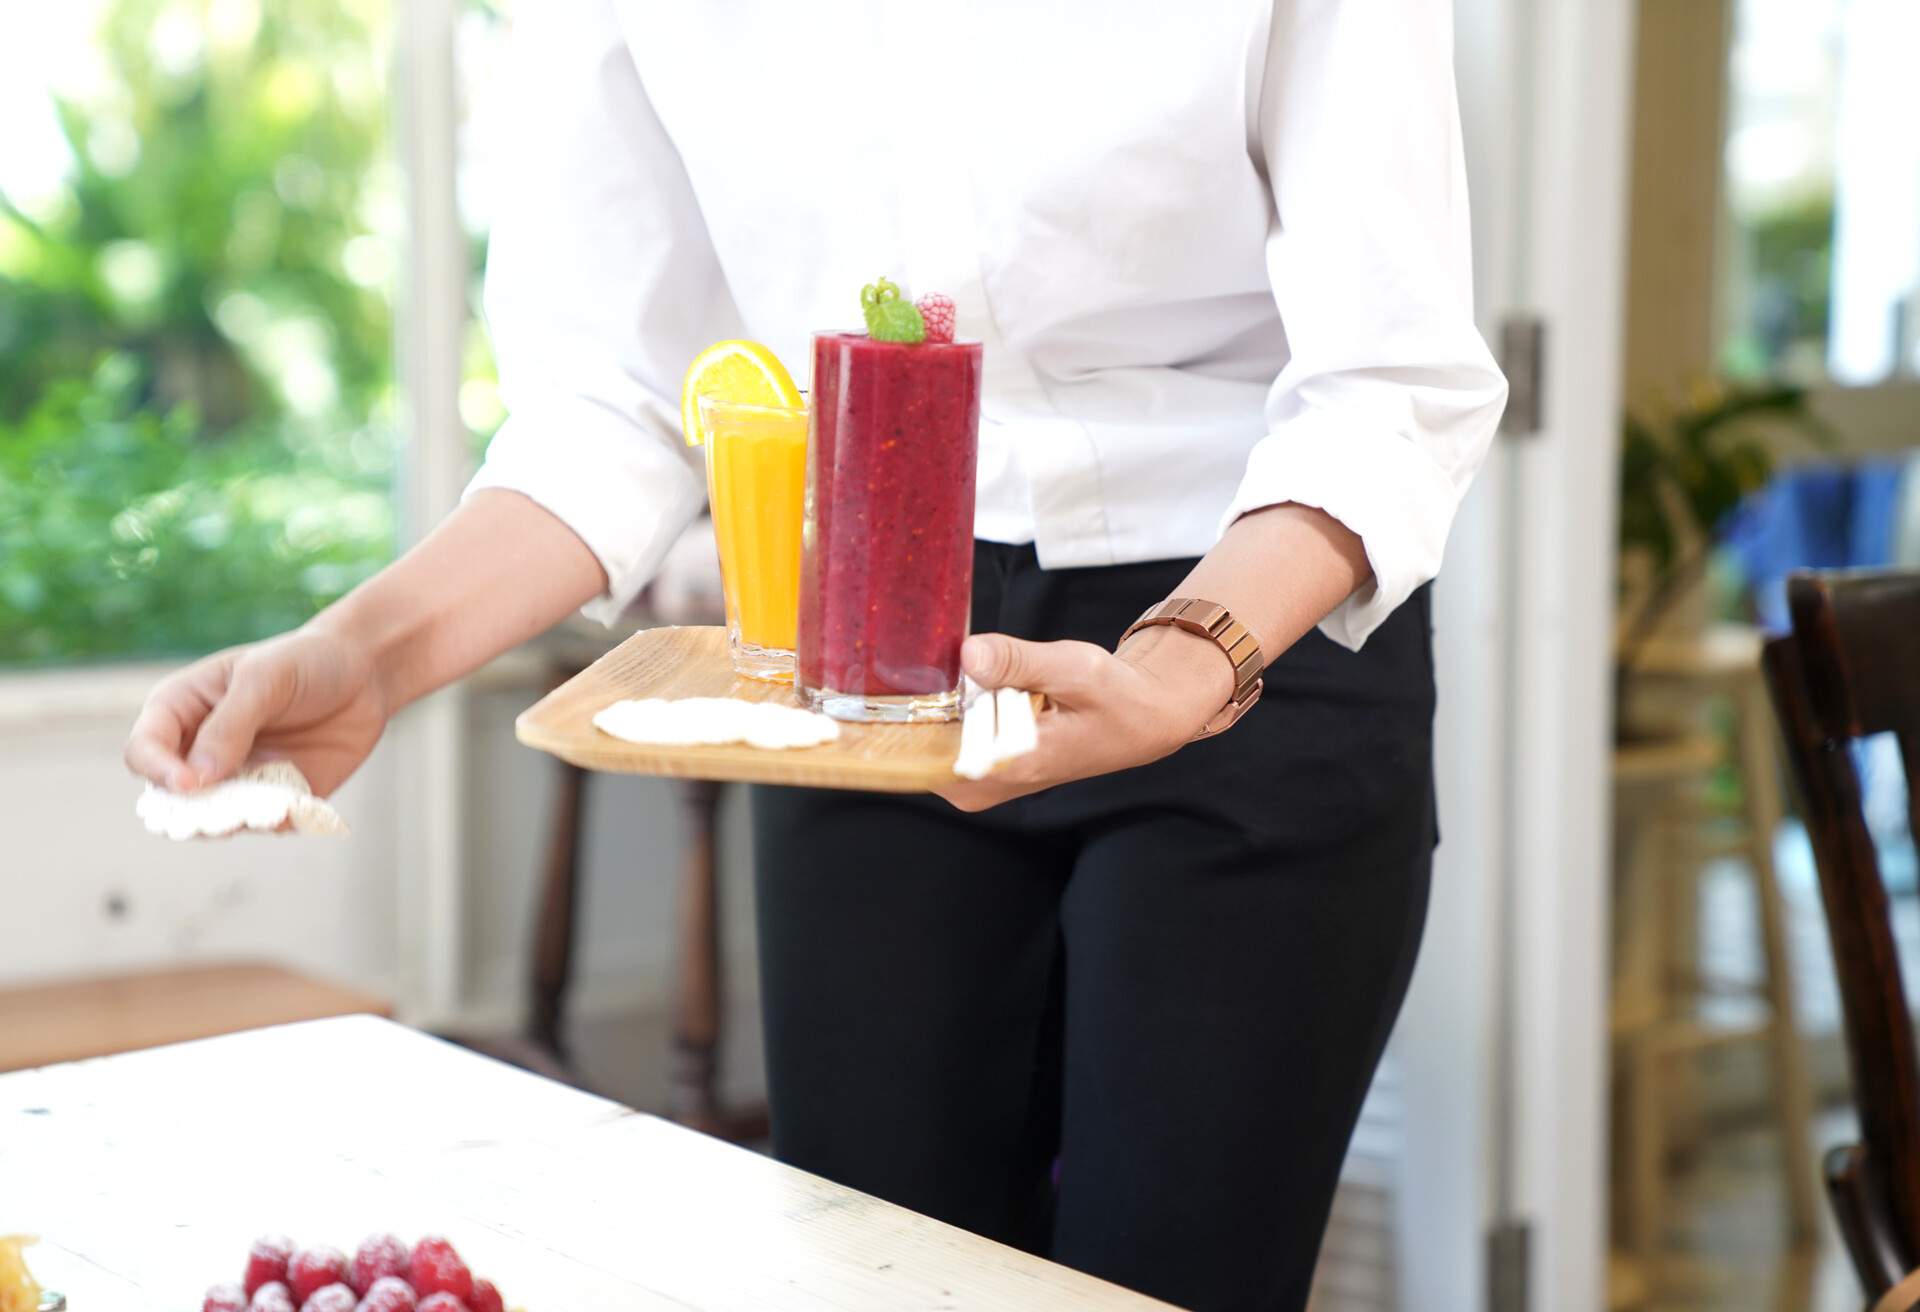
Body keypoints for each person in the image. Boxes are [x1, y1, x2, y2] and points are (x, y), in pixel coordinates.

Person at [126, 4, 1506, 1308]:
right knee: (868, 1266)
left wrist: (1180, 662)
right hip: (863, 652)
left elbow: (1387, 384)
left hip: (1245, 626)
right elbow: (620, 396)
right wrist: (362, 653)